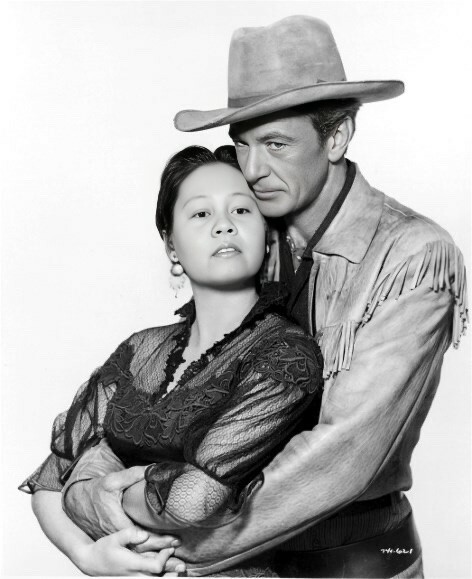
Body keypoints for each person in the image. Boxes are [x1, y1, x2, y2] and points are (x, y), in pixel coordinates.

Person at [58, 15, 468, 579]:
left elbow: (340, 458)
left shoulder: (411, 255)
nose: (251, 170)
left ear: (337, 137)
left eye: (275, 144)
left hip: (352, 562)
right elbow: (169, 399)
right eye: (242, 144)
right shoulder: (250, 228)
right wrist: (86, 491)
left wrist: (155, 538)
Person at [19, 145, 324, 576]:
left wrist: (93, 490)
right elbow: (50, 480)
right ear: (172, 247)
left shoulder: (285, 355)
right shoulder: (141, 350)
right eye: (201, 213)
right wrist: (90, 557)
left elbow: (190, 501)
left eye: (241, 210)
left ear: (266, 233)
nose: (224, 225)